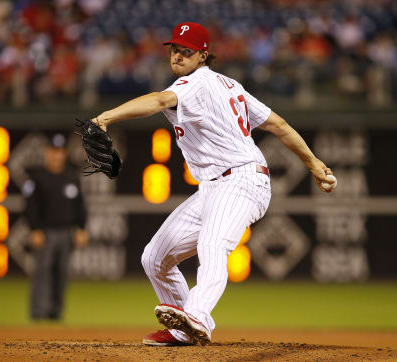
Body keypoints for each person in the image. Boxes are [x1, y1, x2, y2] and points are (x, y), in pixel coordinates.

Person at [93, 22, 335, 345]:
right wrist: (313, 162)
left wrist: (105, 118)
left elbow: (158, 100)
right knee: (154, 258)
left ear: (203, 55)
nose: (178, 55)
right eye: (174, 49)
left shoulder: (195, 83)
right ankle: (184, 329)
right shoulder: (231, 86)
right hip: (213, 186)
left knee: (212, 245)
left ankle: (198, 317)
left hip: (242, 179)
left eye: (187, 50)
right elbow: (278, 125)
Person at [23, 133, 89, 320]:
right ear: (47, 153)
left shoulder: (71, 177)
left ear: (64, 154)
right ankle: (38, 313)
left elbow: (80, 206)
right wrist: (34, 229)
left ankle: (55, 314)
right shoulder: (37, 178)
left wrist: (81, 227)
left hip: (66, 233)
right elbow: (30, 207)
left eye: (59, 152)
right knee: (42, 274)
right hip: (45, 233)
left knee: (61, 275)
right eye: (53, 151)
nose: (56, 155)